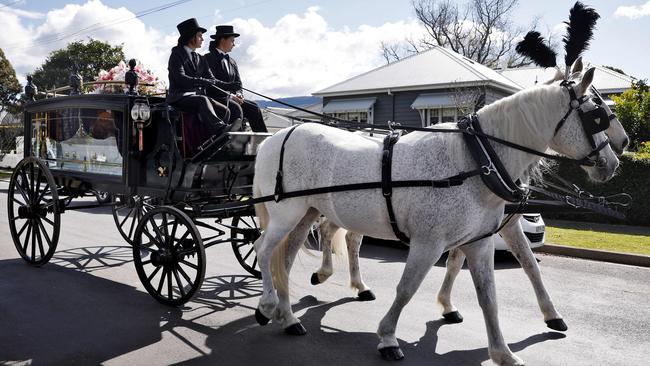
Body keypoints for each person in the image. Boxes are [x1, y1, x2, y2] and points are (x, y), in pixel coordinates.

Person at [167, 18, 234, 138]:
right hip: (179, 97)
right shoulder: (176, 54)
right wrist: (202, 81)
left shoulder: (200, 58)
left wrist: (230, 86)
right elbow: (180, 78)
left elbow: (212, 80)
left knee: (225, 110)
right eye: (199, 36)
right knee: (202, 100)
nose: (202, 39)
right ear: (190, 37)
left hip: (195, 97)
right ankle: (220, 130)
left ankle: (213, 140)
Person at [205, 25, 268, 132]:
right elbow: (211, 85)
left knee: (254, 108)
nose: (234, 44)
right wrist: (230, 96)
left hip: (233, 98)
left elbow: (238, 83)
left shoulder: (232, 61)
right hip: (217, 99)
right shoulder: (208, 58)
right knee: (236, 108)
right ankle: (238, 141)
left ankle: (263, 140)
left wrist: (239, 94)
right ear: (222, 40)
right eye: (232, 41)